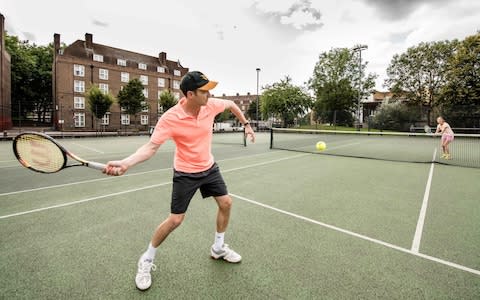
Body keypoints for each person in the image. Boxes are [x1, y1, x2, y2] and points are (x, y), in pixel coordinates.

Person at [103, 71, 255, 290]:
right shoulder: (170, 118)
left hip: (209, 167)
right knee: (175, 220)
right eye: (204, 90)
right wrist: (127, 162)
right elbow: (150, 147)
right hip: (185, 172)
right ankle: (146, 259)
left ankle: (218, 248)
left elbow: (232, 104)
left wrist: (246, 124)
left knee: (226, 203)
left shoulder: (210, 105)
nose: (209, 93)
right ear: (190, 94)